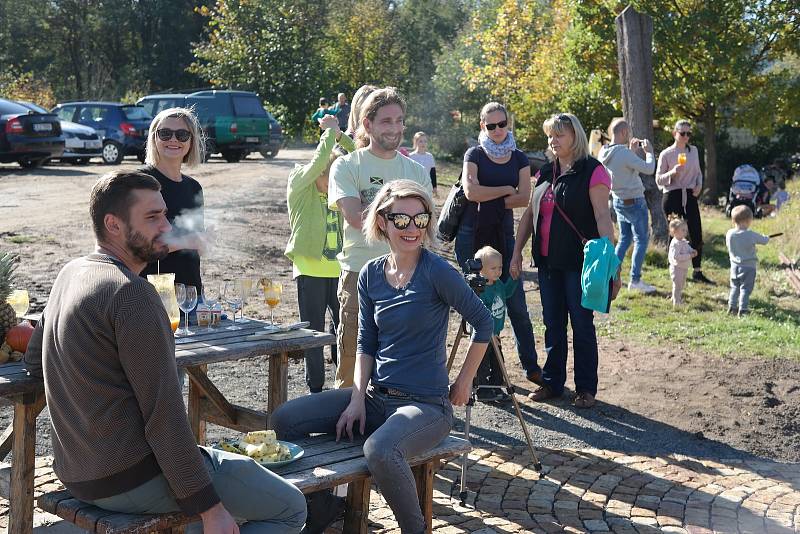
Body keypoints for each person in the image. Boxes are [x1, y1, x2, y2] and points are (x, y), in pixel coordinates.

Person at [24, 170, 306, 534]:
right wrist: (210, 508)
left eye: (166, 215)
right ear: (113, 224)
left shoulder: (71, 271)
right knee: (290, 507)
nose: (167, 225)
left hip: (77, 473)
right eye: (153, 217)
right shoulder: (132, 294)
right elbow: (166, 417)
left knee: (222, 488)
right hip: (130, 477)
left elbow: (34, 362)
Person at [272, 180, 493, 534]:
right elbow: (366, 342)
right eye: (401, 220)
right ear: (382, 222)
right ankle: (324, 506)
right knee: (285, 419)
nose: (412, 228)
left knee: (380, 451)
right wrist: (357, 398)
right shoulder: (372, 273)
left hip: (425, 407)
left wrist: (464, 381)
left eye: (420, 220)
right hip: (376, 398)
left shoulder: (437, 272)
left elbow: (483, 322)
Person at [510, 113, 618, 409]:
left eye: (559, 135)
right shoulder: (545, 172)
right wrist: (517, 250)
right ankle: (553, 382)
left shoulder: (593, 171)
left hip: (580, 265)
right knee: (552, 323)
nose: (553, 141)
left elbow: (601, 217)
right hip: (547, 262)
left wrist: (612, 261)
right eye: (550, 136)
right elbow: (531, 215)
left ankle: (585, 389)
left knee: (582, 324)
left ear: (575, 137)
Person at [328, 87, 433, 389]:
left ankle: (393, 428)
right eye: (387, 121)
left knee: (400, 361)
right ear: (368, 124)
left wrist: (379, 211)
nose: (396, 128)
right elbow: (354, 217)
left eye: (400, 121)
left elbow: (422, 225)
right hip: (358, 272)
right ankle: (346, 429)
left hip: (406, 276)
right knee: (351, 364)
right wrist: (404, 220)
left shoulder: (414, 171)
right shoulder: (347, 165)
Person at [456, 102, 540, 385]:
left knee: (515, 303)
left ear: (508, 123)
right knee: (478, 304)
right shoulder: (474, 154)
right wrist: (506, 189)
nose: (497, 130)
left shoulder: (519, 158)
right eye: (491, 126)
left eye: (501, 124)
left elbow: (524, 198)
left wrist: (487, 194)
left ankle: (531, 367)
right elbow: (470, 191)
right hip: (472, 235)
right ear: (483, 126)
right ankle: (481, 372)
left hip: (504, 235)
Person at [286, 114, 356, 393]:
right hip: (310, 271)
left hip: (340, 271)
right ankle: (315, 388)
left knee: (344, 331)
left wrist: (340, 137)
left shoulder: (339, 195)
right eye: (330, 176)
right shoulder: (300, 184)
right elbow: (318, 162)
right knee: (314, 334)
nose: (334, 183)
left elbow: (358, 156)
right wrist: (328, 134)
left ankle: (344, 387)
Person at [140, 107, 210, 300]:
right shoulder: (140, 182)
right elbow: (135, 246)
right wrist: (186, 241)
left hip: (191, 295)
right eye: (165, 133)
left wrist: (203, 241)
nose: (173, 140)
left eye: (182, 134)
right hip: (151, 295)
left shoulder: (194, 187)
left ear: (191, 141)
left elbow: (195, 247)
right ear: (154, 138)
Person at [598, 118, 657, 293]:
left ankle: (611, 273)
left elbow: (626, 170)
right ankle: (635, 280)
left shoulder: (604, 151)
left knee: (624, 239)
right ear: (623, 133)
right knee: (641, 239)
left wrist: (631, 152)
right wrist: (649, 152)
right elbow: (649, 168)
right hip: (634, 201)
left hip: (618, 200)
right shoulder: (623, 153)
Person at [656, 119, 713, 284]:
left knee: (696, 232)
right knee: (675, 234)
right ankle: (673, 271)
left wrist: (700, 185)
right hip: (672, 195)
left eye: (689, 133)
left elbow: (698, 173)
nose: (686, 136)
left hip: (689, 195)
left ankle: (697, 271)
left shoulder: (693, 151)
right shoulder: (666, 154)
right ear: (675, 133)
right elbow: (658, 179)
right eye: (682, 133)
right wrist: (672, 172)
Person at [473, 245, 517, 404]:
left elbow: (507, 292)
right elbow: (481, 314)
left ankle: (496, 387)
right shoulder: (481, 290)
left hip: (496, 335)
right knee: (483, 363)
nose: (498, 271)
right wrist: (489, 333)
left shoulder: (497, 284)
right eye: (493, 268)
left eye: (500, 268)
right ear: (481, 270)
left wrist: (514, 279)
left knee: (498, 363)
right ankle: (483, 390)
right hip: (483, 336)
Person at [726, 205, 770, 316]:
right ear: (748, 220)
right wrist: (766, 237)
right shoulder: (750, 234)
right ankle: (743, 309)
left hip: (734, 266)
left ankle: (732, 307)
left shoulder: (730, 233)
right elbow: (764, 241)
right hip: (749, 267)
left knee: (735, 287)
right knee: (745, 289)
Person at [668, 218, 696, 308]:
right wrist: (689, 256)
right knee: (677, 284)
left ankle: (675, 297)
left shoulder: (683, 241)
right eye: (683, 230)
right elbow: (677, 257)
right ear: (675, 231)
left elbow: (687, 248)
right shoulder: (675, 244)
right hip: (677, 268)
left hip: (683, 267)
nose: (685, 232)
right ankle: (676, 302)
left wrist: (692, 251)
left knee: (681, 284)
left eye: (686, 230)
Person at [408, 131, 437, 196]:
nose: (423, 143)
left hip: (427, 186)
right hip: (414, 186)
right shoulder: (411, 156)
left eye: (425, 141)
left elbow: (433, 173)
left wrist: (434, 187)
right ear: (416, 142)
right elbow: (408, 172)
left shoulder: (430, 156)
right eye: (420, 141)